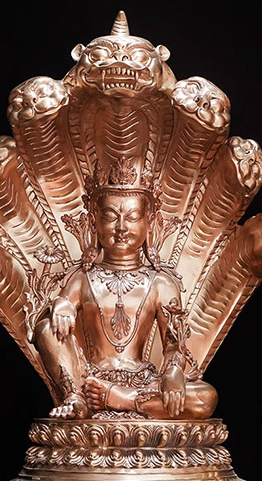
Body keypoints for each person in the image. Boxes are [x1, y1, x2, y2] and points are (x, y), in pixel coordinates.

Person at [32, 166, 217, 420]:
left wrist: (173, 372)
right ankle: (75, 398)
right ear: (94, 221)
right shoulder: (83, 277)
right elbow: (57, 317)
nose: (121, 227)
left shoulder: (161, 283)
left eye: (132, 217)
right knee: (45, 327)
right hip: (91, 381)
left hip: (142, 382)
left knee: (206, 397)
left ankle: (123, 399)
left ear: (149, 222)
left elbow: (174, 344)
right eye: (110, 216)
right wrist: (61, 306)